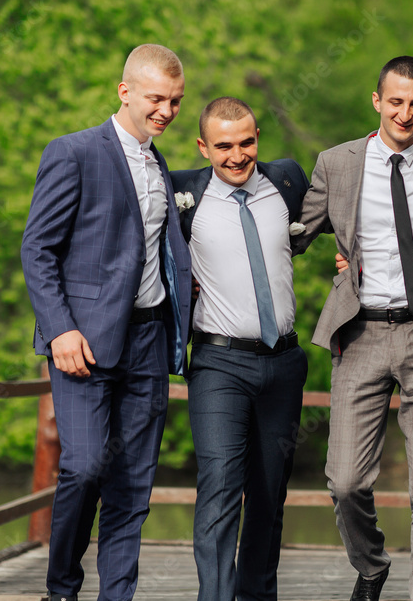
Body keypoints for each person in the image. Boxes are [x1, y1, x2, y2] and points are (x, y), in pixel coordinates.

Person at [292, 56, 413, 601]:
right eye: (395, 101)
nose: (405, 113)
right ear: (377, 101)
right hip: (361, 331)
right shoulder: (337, 163)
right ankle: (371, 564)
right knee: (345, 480)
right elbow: (296, 233)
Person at [21, 44, 191, 601]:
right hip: (85, 343)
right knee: (86, 467)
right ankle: (61, 588)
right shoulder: (73, 152)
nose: (166, 110)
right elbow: (37, 249)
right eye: (156, 98)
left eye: (175, 101)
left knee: (133, 484)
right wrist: (59, 329)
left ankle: (117, 595)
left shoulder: (160, 164)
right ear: (125, 91)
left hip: (149, 340)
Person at [170, 97, 308, 601]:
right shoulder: (183, 193)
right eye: (223, 145)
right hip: (218, 363)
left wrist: (348, 259)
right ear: (203, 147)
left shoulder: (286, 181)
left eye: (246, 142)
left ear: (258, 139)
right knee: (221, 483)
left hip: (284, 363)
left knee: (269, 494)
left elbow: (335, 225)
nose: (237, 155)